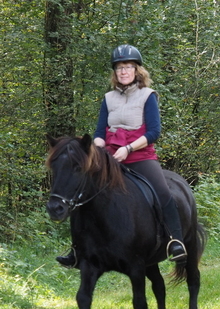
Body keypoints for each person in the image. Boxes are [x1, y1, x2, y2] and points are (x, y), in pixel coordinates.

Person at [56, 44, 187, 267]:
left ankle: (175, 241)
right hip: (110, 158)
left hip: (140, 155)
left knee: (163, 193)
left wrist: (128, 149)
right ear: (115, 73)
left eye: (127, 67)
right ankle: (77, 249)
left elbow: (154, 132)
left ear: (137, 70)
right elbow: (99, 133)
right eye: (119, 68)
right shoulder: (108, 98)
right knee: (82, 192)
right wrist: (97, 151)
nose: (123, 72)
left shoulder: (148, 96)